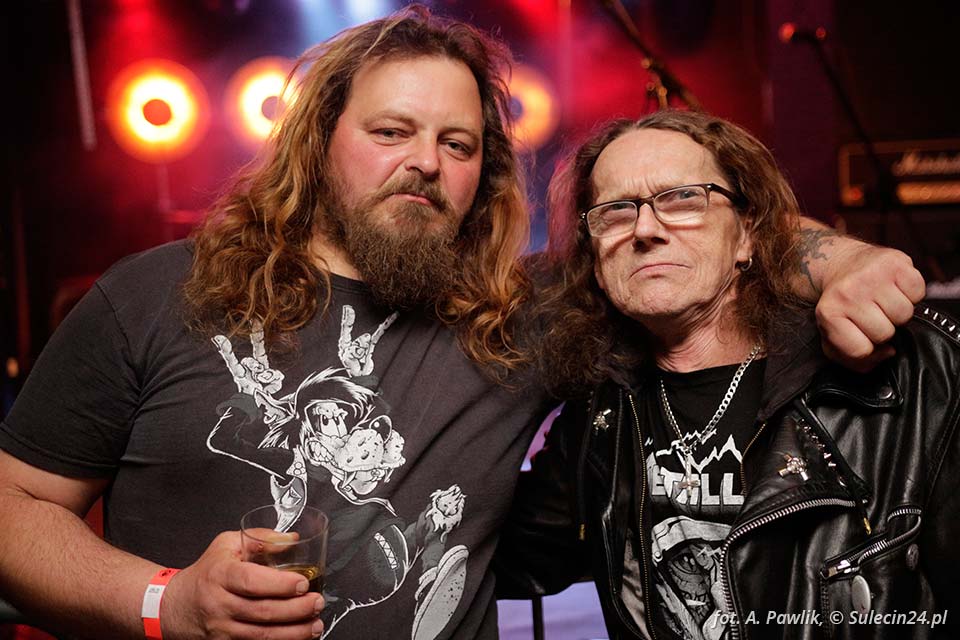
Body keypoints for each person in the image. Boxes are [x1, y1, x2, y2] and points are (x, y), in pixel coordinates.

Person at [0, 7, 923, 640]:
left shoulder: (520, 315)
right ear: (318, 144)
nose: (424, 163)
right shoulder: (157, 294)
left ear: (483, 174)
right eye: (390, 132)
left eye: (457, 144)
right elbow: (14, 508)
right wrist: (166, 604)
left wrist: (841, 261)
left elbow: (698, 233)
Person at [494, 109, 956, 640]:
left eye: (683, 199)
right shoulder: (601, 410)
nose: (645, 229)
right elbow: (503, 554)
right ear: (594, 257)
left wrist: (845, 260)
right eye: (616, 211)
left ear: (747, 236)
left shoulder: (903, 377)